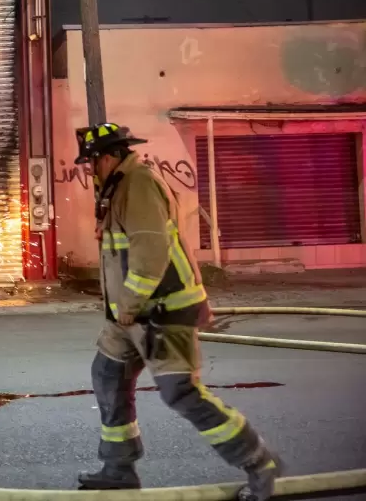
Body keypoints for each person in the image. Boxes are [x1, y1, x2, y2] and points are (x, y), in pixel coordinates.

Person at [74, 123, 282, 501]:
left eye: (92, 163)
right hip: (128, 317)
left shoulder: (137, 185)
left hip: (161, 312)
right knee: (107, 374)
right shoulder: (120, 186)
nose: (90, 171)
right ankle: (118, 468)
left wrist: (131, 304)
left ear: (107, 157)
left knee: (181, 393)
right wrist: (121, 311)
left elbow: (150, 254)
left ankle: (259, 462)